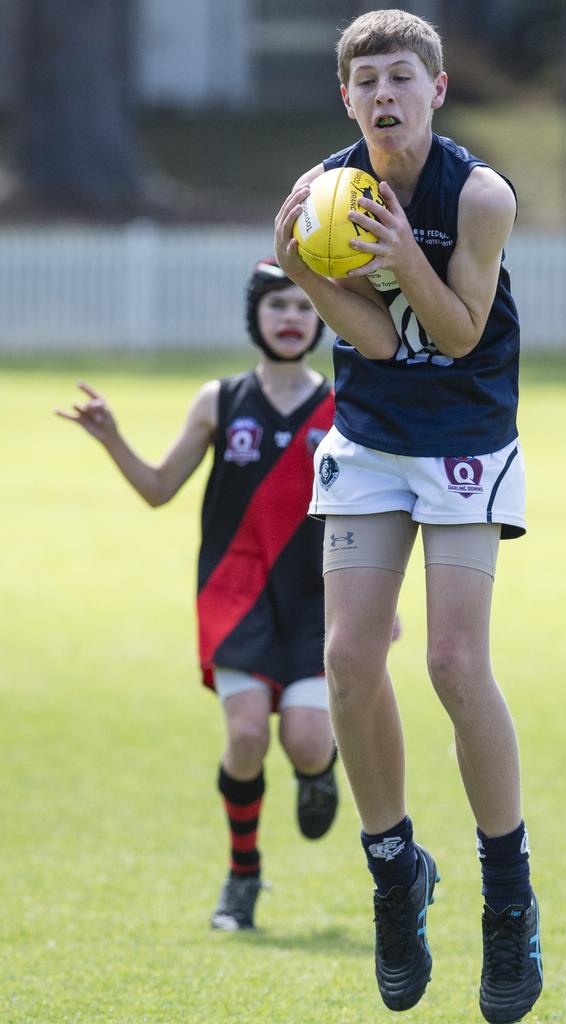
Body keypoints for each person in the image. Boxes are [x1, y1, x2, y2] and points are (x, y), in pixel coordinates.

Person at [274, 8, 543, 1022]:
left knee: (452, 664)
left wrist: (402, 249)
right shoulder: (326, 194)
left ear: (437, 90)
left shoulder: (479, 195)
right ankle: (395, 872)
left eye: (403, 77)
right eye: (367, 81)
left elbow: (460, 332)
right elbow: (379, 350)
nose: (385, 95)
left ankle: (508, 896)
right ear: (347, 98)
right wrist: (301, 263)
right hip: (374, 438)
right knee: (346, 658)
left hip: (469, 437)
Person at [55, 260, 340, 932]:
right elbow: (158, 489)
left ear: (321, 319)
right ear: (256, 319)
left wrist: (378, 605)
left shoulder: (343, 406)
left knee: (303, 741)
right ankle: (243, 877)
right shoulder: (220, 400)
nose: (292, 319)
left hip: (316, 597)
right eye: (278, 307)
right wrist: (111, 436)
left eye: (304, 307)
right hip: (234, 592)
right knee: (244, 734)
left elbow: (374, 510)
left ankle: (318, 770)